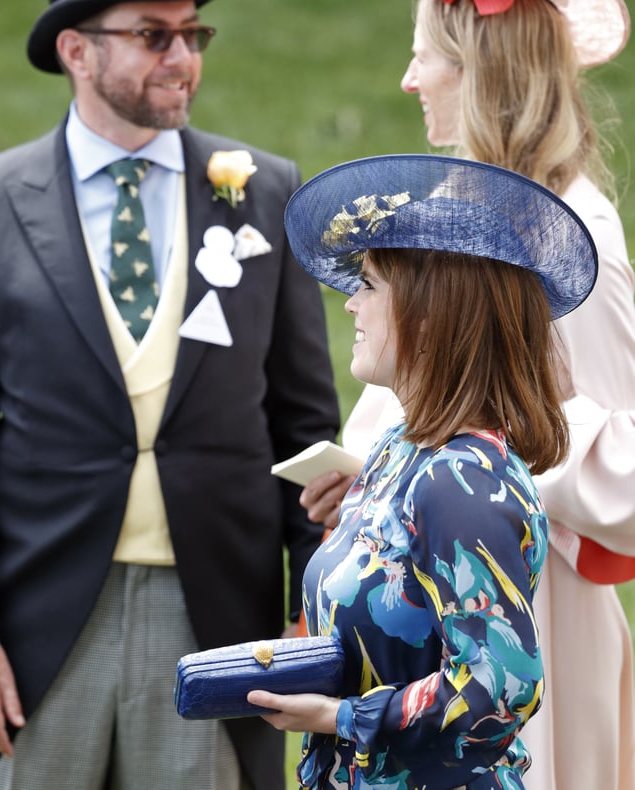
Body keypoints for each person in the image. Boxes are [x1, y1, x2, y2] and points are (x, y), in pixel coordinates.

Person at [0, 1, 341, 787]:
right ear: (77, 51)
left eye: (193, 35)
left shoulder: (265, 191)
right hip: (44, 609)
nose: (182, 57)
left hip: (218, 604)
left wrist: (313, 604)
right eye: (153, 36)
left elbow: (304, 421)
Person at [302, 2, 635, 786]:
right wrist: (382, 488)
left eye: (427, 57)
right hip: (422, 611)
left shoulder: (566, 237)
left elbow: (622, 467)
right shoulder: (453, 223)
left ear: (482, 73)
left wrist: (484, 441)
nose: (408, 79)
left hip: (520, 607)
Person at [248, 152, 598, 788]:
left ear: (431, 313)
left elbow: (501, 687)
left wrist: (340, 717)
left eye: (372, 284)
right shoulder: (401, 448)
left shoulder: (461, 481)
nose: (351, 304)